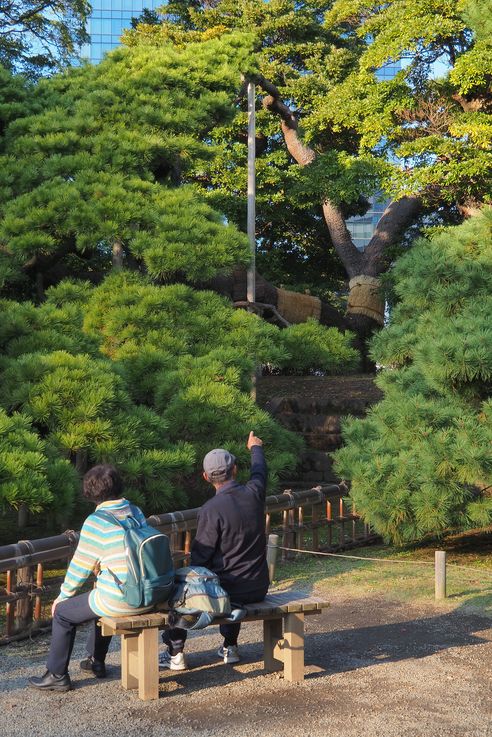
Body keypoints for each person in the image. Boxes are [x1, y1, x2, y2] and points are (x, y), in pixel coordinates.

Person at [28, 464, 153, 692]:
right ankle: (96, 661)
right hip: (148, 592)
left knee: (64, 613)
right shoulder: (135, 511)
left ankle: (56, 674)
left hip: (123, 598)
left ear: (89, 492)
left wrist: (61, 598)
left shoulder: (97, 522)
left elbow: (79, 568)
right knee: (99, 596)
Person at [160, 430, 269, 670]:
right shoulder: (254, 494)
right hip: (259, 586)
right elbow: (260, 472)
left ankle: (175, 652)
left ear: (206, 477)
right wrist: (255, 447)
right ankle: (230, 645)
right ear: (235, 470)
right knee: (231, 580)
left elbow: (201, 556)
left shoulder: (211, 508)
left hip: (228, 591)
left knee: (184, 587)